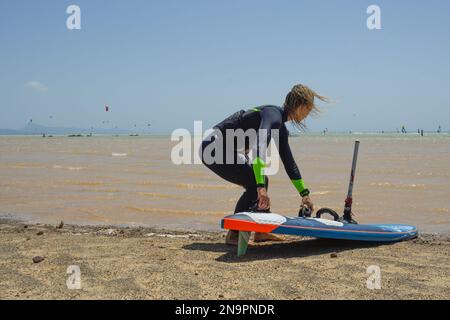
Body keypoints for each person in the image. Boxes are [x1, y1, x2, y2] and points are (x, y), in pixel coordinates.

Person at [200, 84, 327, 245]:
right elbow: (259, 146)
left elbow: (289, 162)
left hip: (222, 149)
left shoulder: (280, 128)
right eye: (309, 109)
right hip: (213, 147)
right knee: (256, 183)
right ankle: (234, 234)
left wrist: (305, 194)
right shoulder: (273, 115)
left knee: (260, 181)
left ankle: (260, 232)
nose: (308, 114)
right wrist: (260, 188)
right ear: (301, 106)